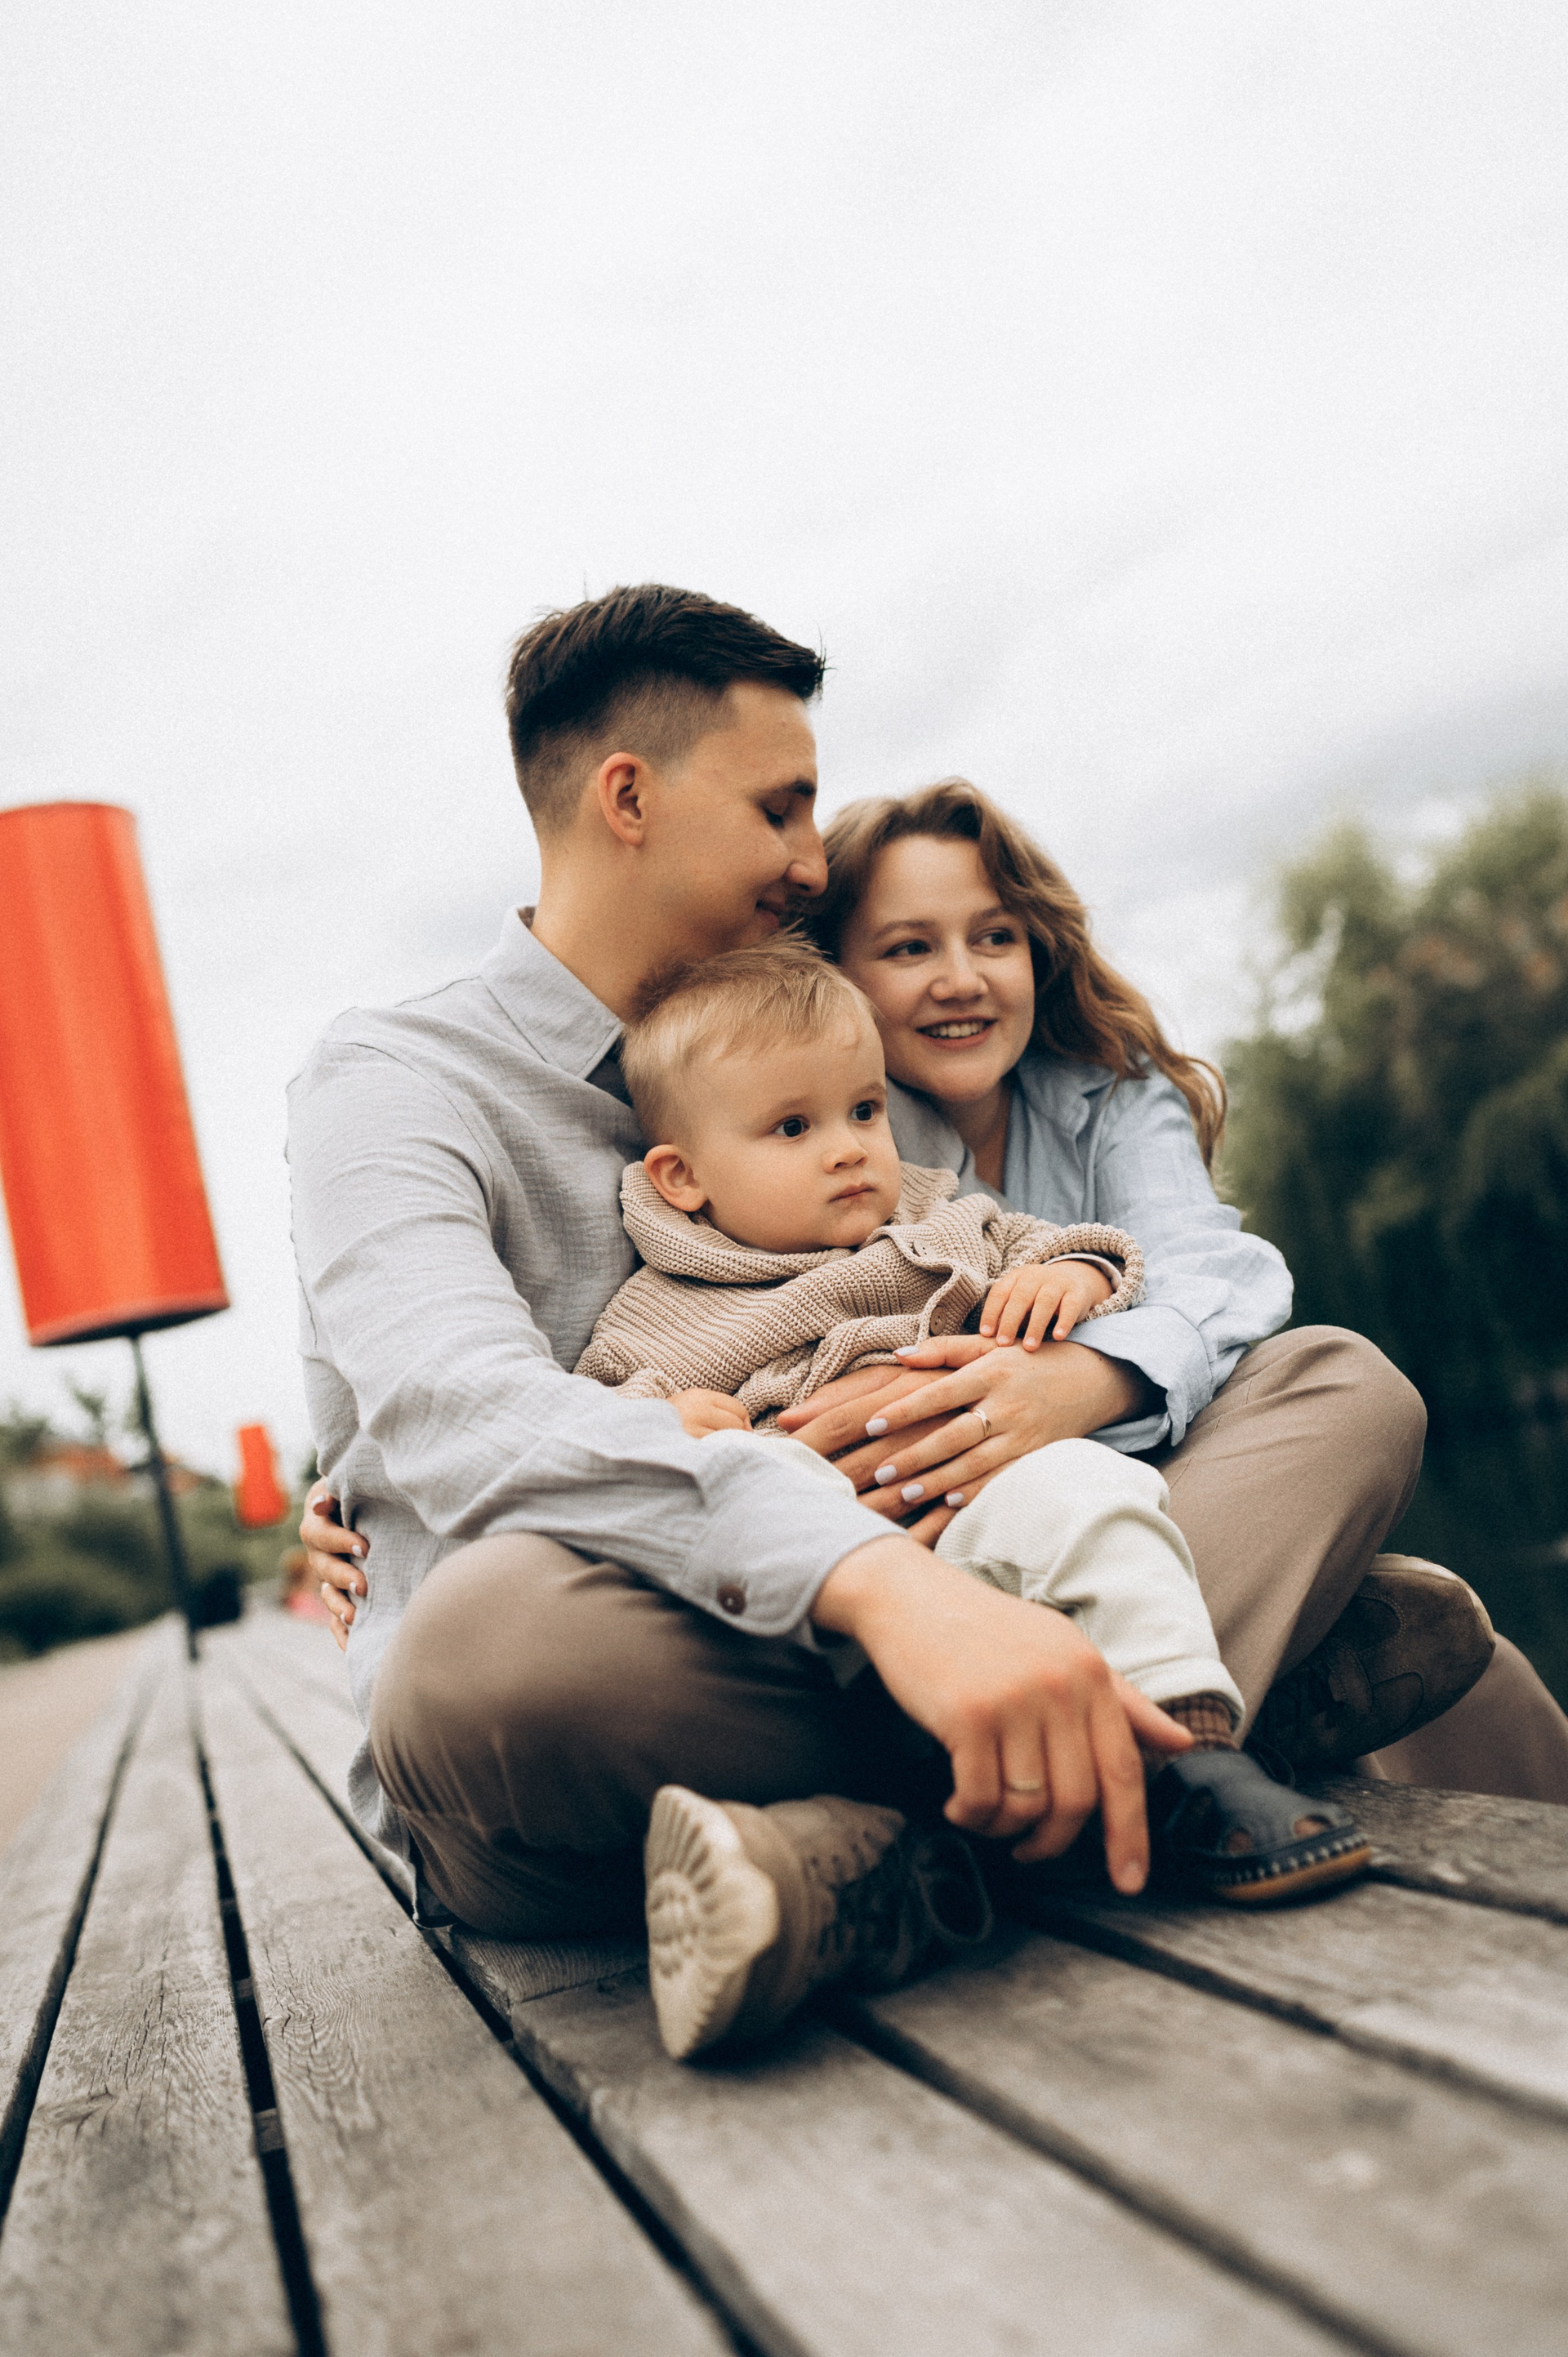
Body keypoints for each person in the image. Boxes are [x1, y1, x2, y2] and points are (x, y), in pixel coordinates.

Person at [294, 584, 1560, 1963]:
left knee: (1335, 1381)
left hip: (933, 1591)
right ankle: (1173, 1730)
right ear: (629, 797)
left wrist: (1060, 1383)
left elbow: (1023, 1268)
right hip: (655, 1669)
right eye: (780, 808)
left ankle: (889, 1850)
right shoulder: (396, 1083)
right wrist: (884, 1586)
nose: (808, 860)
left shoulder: (843, 1070)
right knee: (478, 1645)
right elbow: (455, 1409)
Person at [584, 941, 1370, 2056]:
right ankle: (948, 1802)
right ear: (682, 1176)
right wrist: (669, 1424)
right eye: (793, 1128)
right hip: (843, 1589)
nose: (850, 1149)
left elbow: (1082, 1247)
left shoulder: (944, 1220)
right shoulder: (660, 1307)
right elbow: (589, 1421)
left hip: (985, 1513)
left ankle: (1189, 1749)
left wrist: (1074, 1274)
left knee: (1091, 1488)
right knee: (758, 1481)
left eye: (864, 1110)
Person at [799, 777, 1568, 1797]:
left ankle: (1132, 1734)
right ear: (835, 976)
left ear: (1039, 952)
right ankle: (1197, 1726)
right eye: (909, 949)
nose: (962, 979)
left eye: (995, 938)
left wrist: (1088, 1382)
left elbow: (1211, 1272)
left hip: (1167, 1486)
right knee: (1417, 1656)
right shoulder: (824, 1141)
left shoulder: (1110, 1091)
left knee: (1344, 1379)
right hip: (954, 1535)